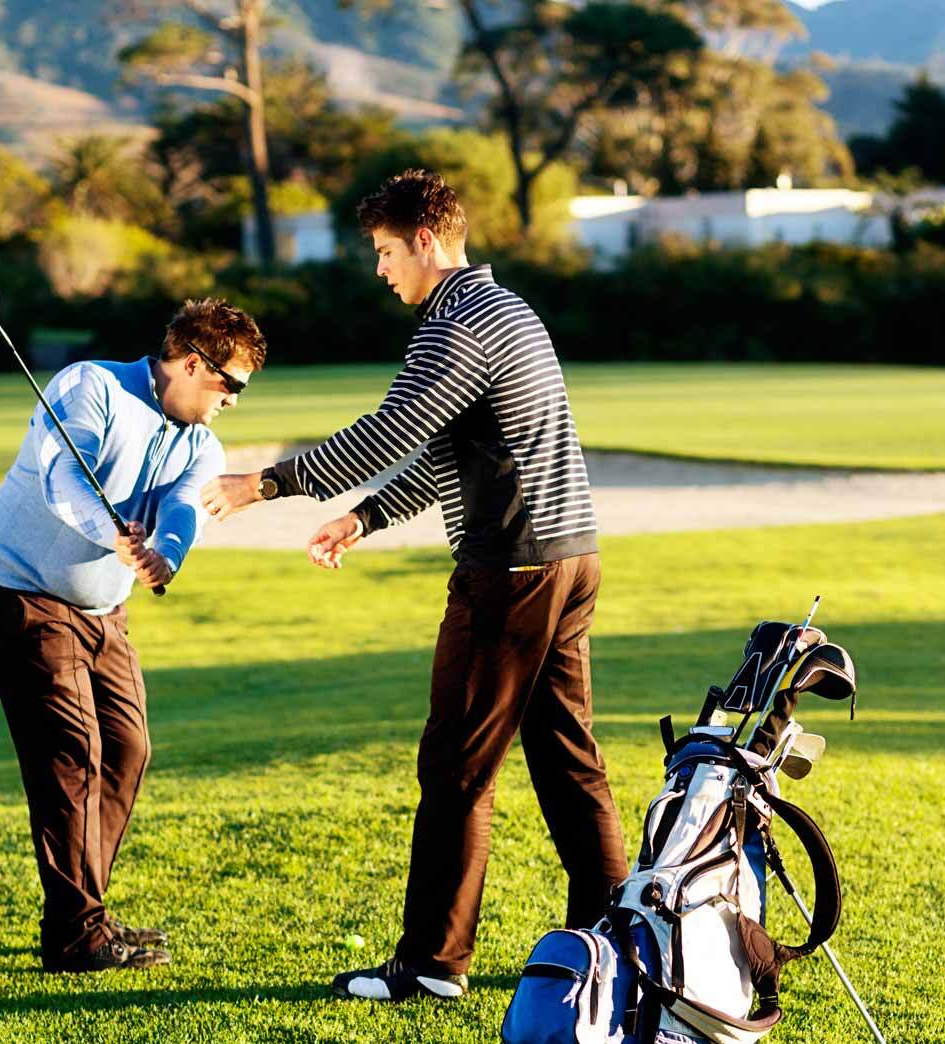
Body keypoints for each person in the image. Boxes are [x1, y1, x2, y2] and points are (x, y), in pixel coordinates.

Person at [200, 169, 628, 1001]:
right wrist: (365, 519)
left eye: (388, 251)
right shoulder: (508, 310)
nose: (381, 268)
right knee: (568, 756)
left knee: (457, 768)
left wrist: (268, 484)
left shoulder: (453, 322)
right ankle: (613, 937)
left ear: (427, 243)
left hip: (510, 573)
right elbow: (444, 449)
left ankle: (432, 964)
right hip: (571, 558)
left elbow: (391, 429)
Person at [0, 298, 265, 973]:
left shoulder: (200, 441)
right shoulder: (90, 387)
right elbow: (63, 479)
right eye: (231, 384)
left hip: (104, 611)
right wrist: (113, 536)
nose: (234, 401)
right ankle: (78, 933)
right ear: (193, 363)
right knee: (73, 750)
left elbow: (185, 506)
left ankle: (82, 916)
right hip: (20, 594)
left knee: (128, 750)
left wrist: (165, 554)